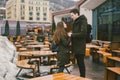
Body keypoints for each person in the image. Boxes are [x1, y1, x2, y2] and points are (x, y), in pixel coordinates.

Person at [69, 8, 87, 77]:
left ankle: (83, 77)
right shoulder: (75, 21)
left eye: (72, 15)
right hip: (76, 46)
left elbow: (83, 33)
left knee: (81, 63)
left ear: (77, 14)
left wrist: (72, 35)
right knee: (79, 63)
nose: (71, 17)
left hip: (80, 46)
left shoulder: (82, 20)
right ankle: (82, 77)